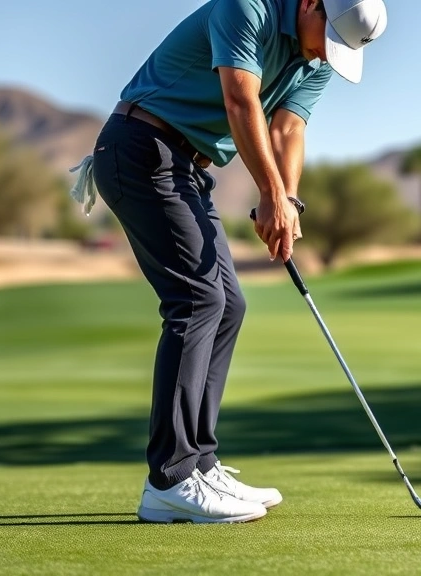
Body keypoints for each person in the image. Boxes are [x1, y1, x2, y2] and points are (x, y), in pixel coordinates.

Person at [69, 0, 388, 523]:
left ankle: (199, 464)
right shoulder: (248, 8)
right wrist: (270, 194)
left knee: (229, 305)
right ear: (310, 4)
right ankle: (169, 479)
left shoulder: (318, 58)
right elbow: (241, 102)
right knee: (196, 299)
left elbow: (287, 130)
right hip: (140, 147)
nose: (322, 53)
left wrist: (288, 200)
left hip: (186, 170)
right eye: (323, 38)